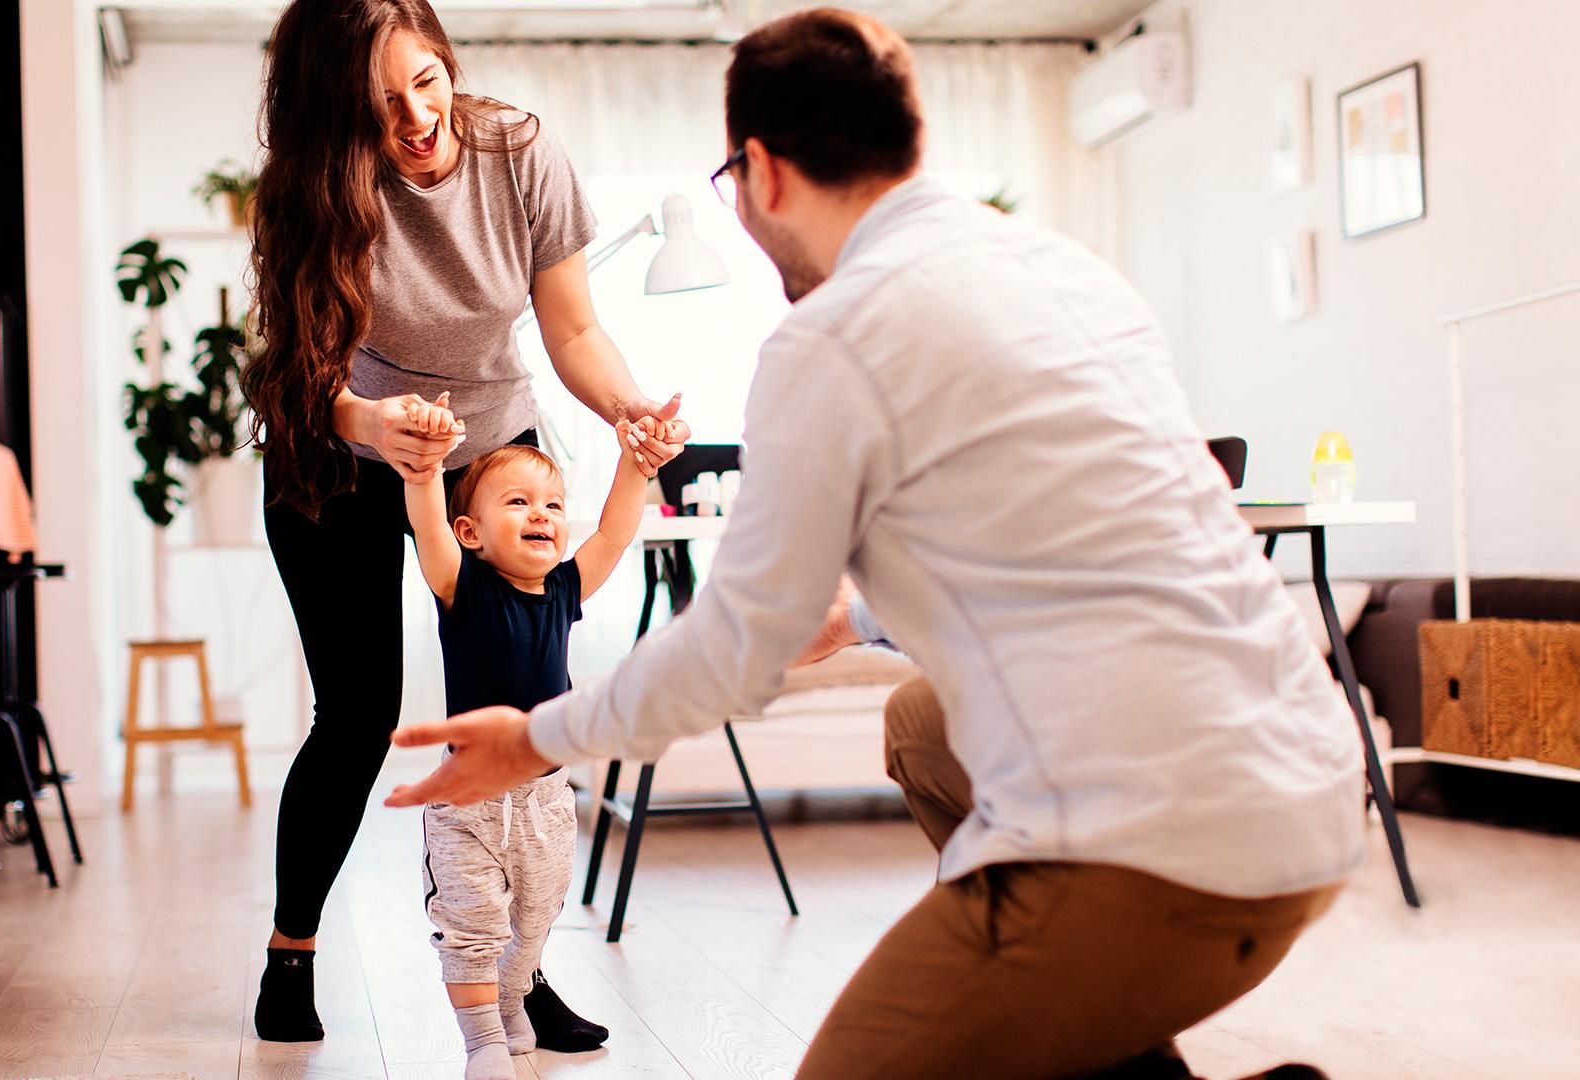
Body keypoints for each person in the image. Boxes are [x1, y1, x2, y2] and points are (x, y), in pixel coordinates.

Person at [382, 8, 1365, 1078]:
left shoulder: (832, 339)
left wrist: (534, 741)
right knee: (923, 723)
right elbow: (1077, 536)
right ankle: (1112, 1033)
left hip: (1176, 848)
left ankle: (1083, 962)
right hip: (1314, 788)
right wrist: (857, 617)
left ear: (757, 171)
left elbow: (725, 658)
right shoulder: (1065, 272)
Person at [243, 0, 688, 1046]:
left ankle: (522, 977)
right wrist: (368, 419)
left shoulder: (517, 151)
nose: (416, 118)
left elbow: (572, 326)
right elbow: (302, 373)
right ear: (333, 109)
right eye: (381, 103)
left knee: (518, 709)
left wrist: (628, 413)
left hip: (487, 446)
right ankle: (290, 953)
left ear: (448, 63)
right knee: (358, 711)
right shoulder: (310, 188)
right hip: (339, 448)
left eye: (427, 82)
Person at [400, 396, 657, 1078]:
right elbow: (427, 526)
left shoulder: (566, 592)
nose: (541, 514)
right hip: (470, 805)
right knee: (473, 926)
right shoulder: (462, 585)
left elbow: (613, 534)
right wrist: (424, 471)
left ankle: (515, 1001)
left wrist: (635, 467)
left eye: (551, 504)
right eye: (517, 502)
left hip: (545, 800)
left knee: (536, 921)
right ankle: (483, 1039)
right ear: (472, 532)